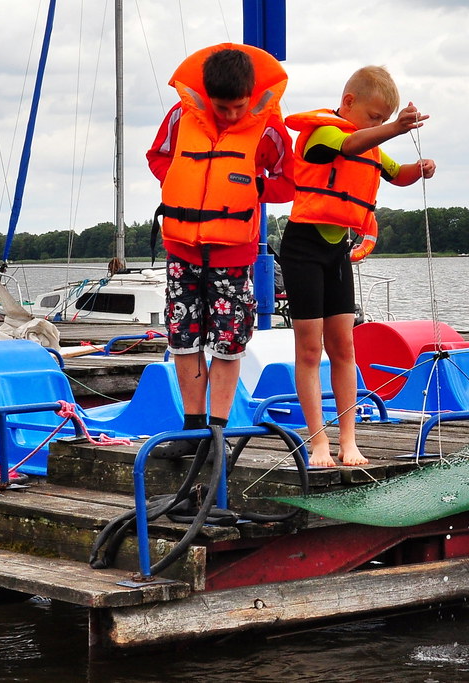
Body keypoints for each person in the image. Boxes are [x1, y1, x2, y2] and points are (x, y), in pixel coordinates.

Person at [282, 65, 436, 467]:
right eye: (374, 118)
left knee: (344, 347)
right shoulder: (324, 133)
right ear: (348, 103)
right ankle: (318, 441)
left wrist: (418, 170)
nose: (378, 126)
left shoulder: (370, 142)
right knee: (310, 350)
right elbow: (348, 148)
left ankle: (348, 440)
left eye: (383, 121)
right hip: (303, 248)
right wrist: (396, 129)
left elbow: (394, 173)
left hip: (336, 252)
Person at [146, 44, 294, 456]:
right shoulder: (181, 116)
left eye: (238, 107)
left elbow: (288, 180)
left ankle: (217, 431)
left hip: (233, 255)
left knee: (229, 343)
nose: (230, 115)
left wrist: (252, 187)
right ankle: (192, 430)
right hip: (182, 250)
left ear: (250, 95)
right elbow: (157, 157)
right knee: (184, 339)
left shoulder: (267, 129)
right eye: (222, 107)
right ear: (207, 95)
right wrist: (179, 182)